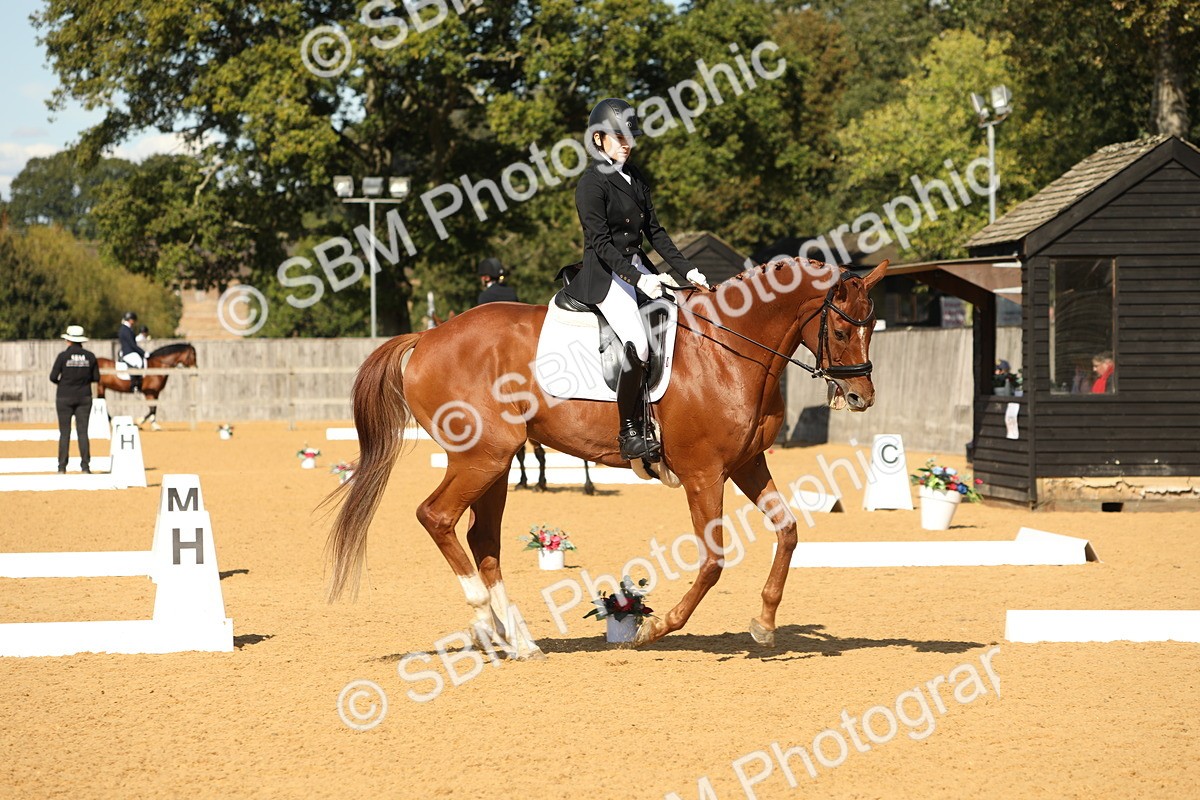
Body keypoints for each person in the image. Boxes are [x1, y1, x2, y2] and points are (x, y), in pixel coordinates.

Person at [567, 97, 711, 461]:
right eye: (619, 137)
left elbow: (656, 233)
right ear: (599, 139)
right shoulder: (590, 185)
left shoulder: (636, 177)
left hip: (638, 267)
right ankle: (628, 429)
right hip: (605, 274)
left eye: (629, 136)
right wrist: (638, 279)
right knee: (639, 342)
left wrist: (686, 270)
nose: (627, 143)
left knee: (684, 319)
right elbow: (600, 244)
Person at [49, 325, 100, 474]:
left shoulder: (62, 356)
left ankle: (62, 467)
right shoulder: (90, 356)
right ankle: (85, 466)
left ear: (69, 340)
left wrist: (64, 384)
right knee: (83, 432)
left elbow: (53, 377)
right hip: (84, 396)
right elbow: (96, 378)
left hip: (64, 397)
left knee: (64, 433)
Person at [117, 311, 146, 394]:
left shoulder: (126, 329)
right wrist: (143, 353)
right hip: (128, 352)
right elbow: (132, 344)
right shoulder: (125, 330)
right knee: (138, 362)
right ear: (130, 320)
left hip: (128, 351)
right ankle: (135, 385)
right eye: (133, 320)